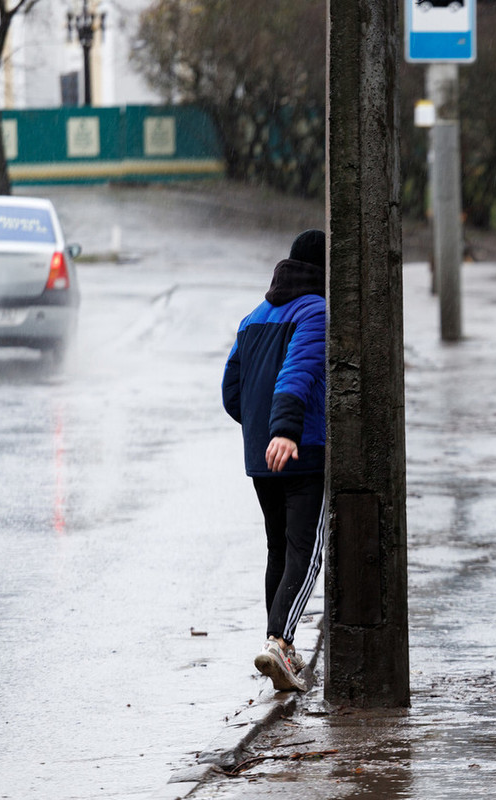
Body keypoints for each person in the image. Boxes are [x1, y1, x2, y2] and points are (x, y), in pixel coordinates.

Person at [222, 229, 327, 692]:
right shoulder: (318, 311)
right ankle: (281, 643)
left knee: (279, 549)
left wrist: (260, 429)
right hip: (300, 448)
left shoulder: (253, 318)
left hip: (261, 456)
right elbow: (299, 369)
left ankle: (276, 644)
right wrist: (285, 430)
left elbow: (231, 391)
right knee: (306, 550)